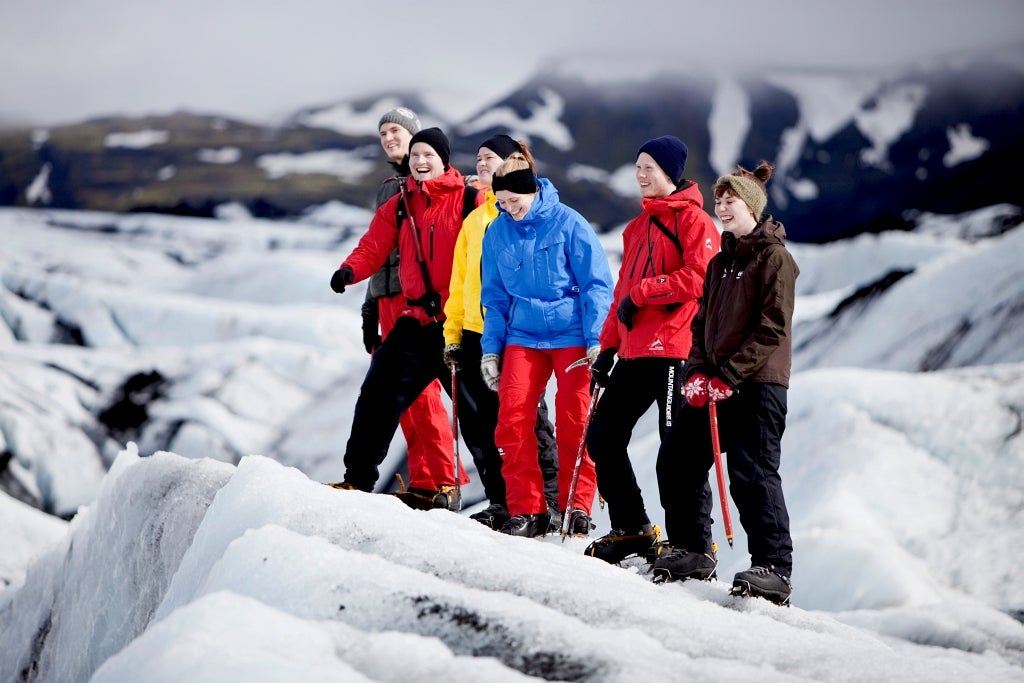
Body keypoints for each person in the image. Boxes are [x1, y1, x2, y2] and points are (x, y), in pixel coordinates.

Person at [651, 160, 798, 606]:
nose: (721, 207)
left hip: (758, 384)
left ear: (751, 207)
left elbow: (773, 328)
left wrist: (729, 376)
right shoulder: (719, 264)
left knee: (752, 474)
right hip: (714, 382)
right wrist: (697, 374)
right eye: (718, 201)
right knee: (676, 459)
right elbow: (700, 328)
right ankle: (694, 550)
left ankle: (774, 568)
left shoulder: (775, 258)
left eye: (729, 200)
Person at [329, 127, 485, 510]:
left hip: (460, 326)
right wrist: (350, 271)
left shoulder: (471, 199)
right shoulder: (401, 203)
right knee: (376, 396)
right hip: (414, 323)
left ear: (444, 159)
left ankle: (506, 501)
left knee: (480, 417)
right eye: (415, 156)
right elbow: (374, 244)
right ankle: (357, 480)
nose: (420, 161)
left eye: (428, 155)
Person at [582, 135, 720, 563]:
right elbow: (621, 295)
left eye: (650, 168)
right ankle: (632, 529)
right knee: (602, 436)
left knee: (679, 448)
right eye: (638, 167)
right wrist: (606, 348)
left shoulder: (695, 222)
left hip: (677, 348)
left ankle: (694, 546)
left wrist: (644, 291)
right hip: (636, 351)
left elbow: (700, 278)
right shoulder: (636, 228)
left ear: (671, 175)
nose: (641, 175)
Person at [480, 151, 613, 537]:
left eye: (513, 201)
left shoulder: (569, 224)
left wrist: (597, 340)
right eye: (500, 203)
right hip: (522, 336)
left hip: (571, 335)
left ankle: (577, 505)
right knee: (512, 418)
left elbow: (596, 286)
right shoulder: (497, 232)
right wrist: (492, 349)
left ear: (531, 191)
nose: (508, 209)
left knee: (575, 418)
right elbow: (495, 297)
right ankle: (528, 509)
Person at [443, 134, 559, 530]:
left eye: (488, 157)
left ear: (512, 163)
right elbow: (460, 282)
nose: (480, 164)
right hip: (478, 332)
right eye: (477, 158)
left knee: (526, 418)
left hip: (519, 333)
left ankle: (550, 501)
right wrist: (453, 333)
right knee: (482, 425)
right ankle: (504, 501)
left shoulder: (526, 212)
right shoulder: (475, 221)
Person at [354, 107, 460, 506]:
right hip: (388, 299)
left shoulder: (436, 186)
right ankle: (424, 480)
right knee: (400, 401)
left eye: (396, 130)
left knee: (424, 394)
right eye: (383, 133)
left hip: (419, 303)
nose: (388, 138)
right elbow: (378, 250)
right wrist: (369, 307)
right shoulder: (390, 188)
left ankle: (442, 479)